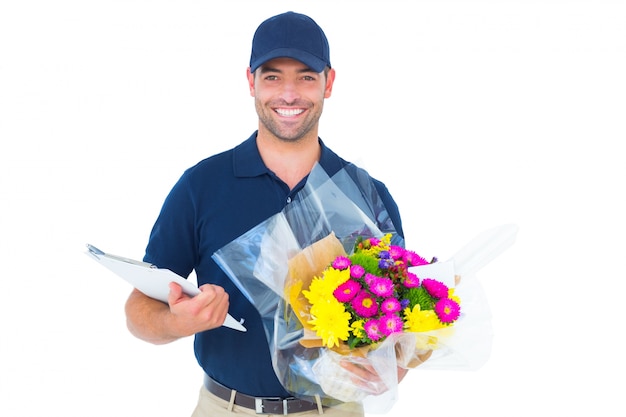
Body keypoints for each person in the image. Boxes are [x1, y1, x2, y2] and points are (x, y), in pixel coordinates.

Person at [124, 11, 407, 416]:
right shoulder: (201, 186)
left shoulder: (365, 193)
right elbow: (138, 311)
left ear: (329, 83)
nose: (289, 93)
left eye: (306, 76)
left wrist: (390, 368)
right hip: (227, 408)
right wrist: (178, 322)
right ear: (250, 82)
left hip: (336, 409)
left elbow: (400, 327)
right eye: (272, 76)